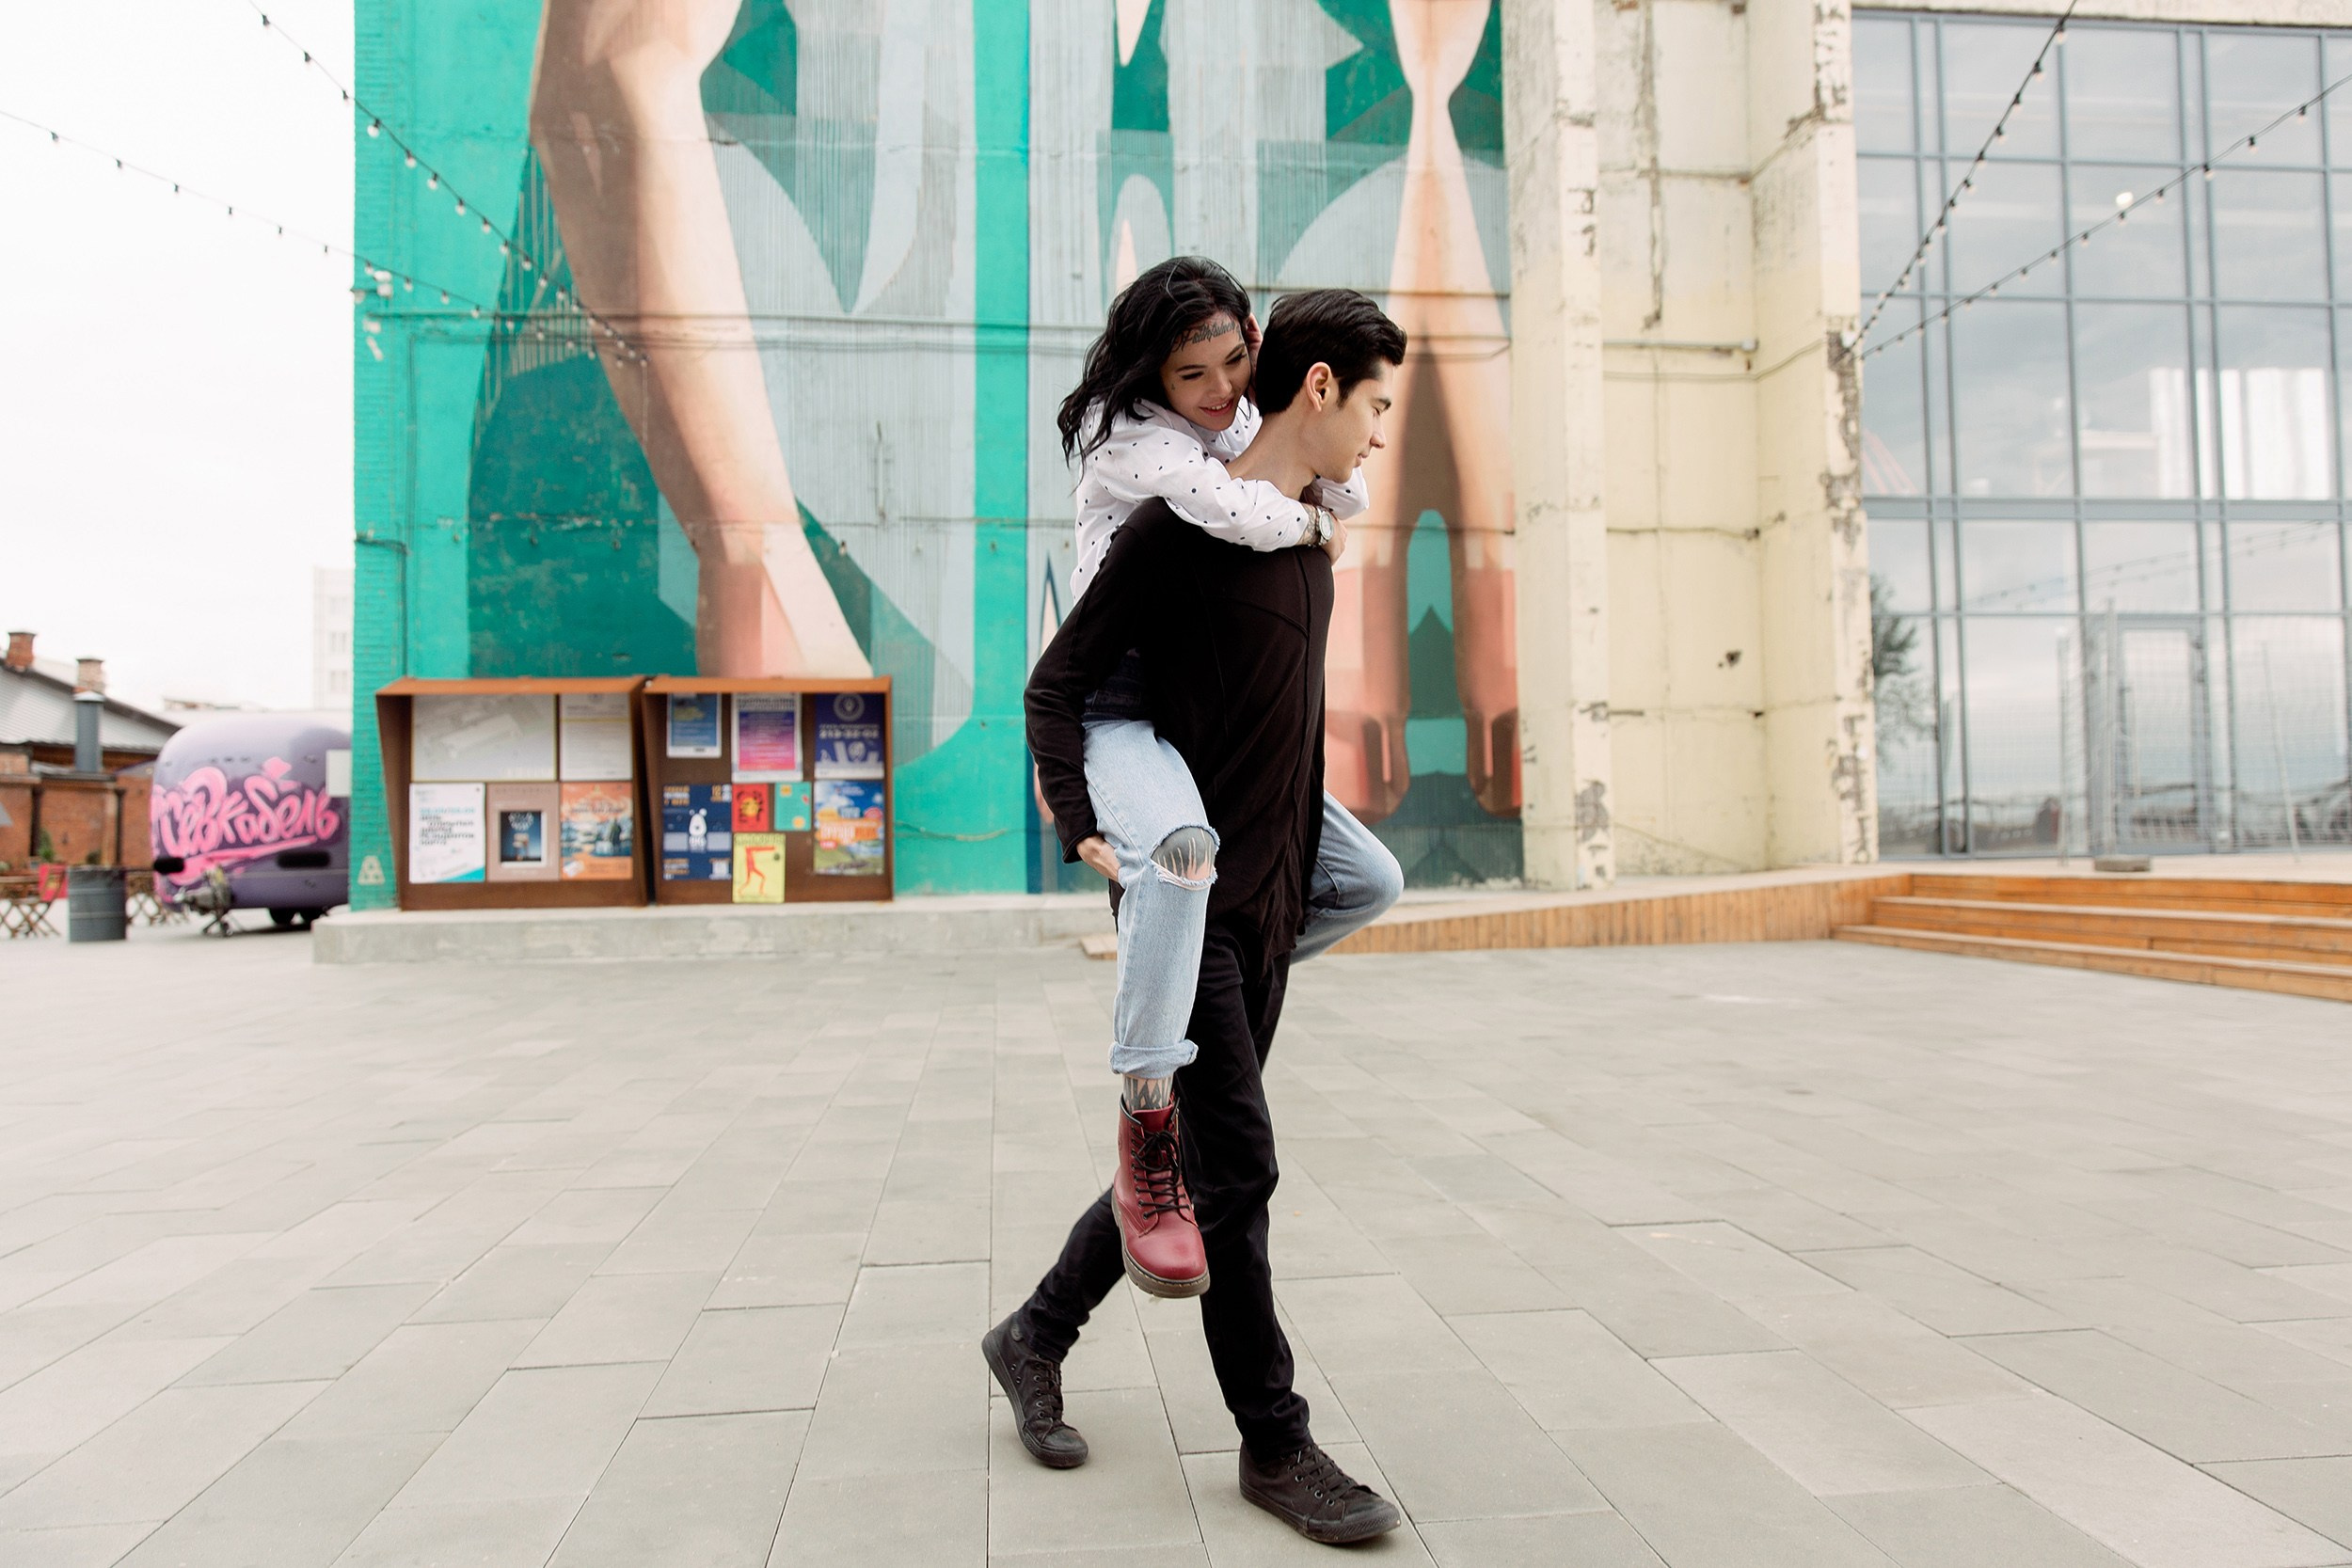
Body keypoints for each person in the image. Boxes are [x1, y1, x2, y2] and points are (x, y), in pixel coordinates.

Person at [986, 290, 1409, 1545]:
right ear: (1322, 388)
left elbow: (1279, 728)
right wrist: (1084, 822)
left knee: (1200, 1168)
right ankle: (1274, 1440)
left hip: (1276, 897)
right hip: (1198, 892)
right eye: (1378, 404)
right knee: (1239, 1164)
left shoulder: (1304, 538)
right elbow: (1063, 685)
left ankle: (1035, 1331)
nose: (1383, 434)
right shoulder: (1175, 531)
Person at [1051, 257, 1405, 1299]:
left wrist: (1321, 480)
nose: (1216, 390)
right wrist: (1312, 517)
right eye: (1190, 373)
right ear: (1151, 374)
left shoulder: (1235, 426)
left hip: (1192, 738)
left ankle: (1034, 1331)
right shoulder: (1150, 454)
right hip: (1121, 709)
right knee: (1175, 862)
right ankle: (1144, 1097)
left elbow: (1334, 469)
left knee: (1370, 878)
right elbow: (1241, 508)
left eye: (1233, 363)